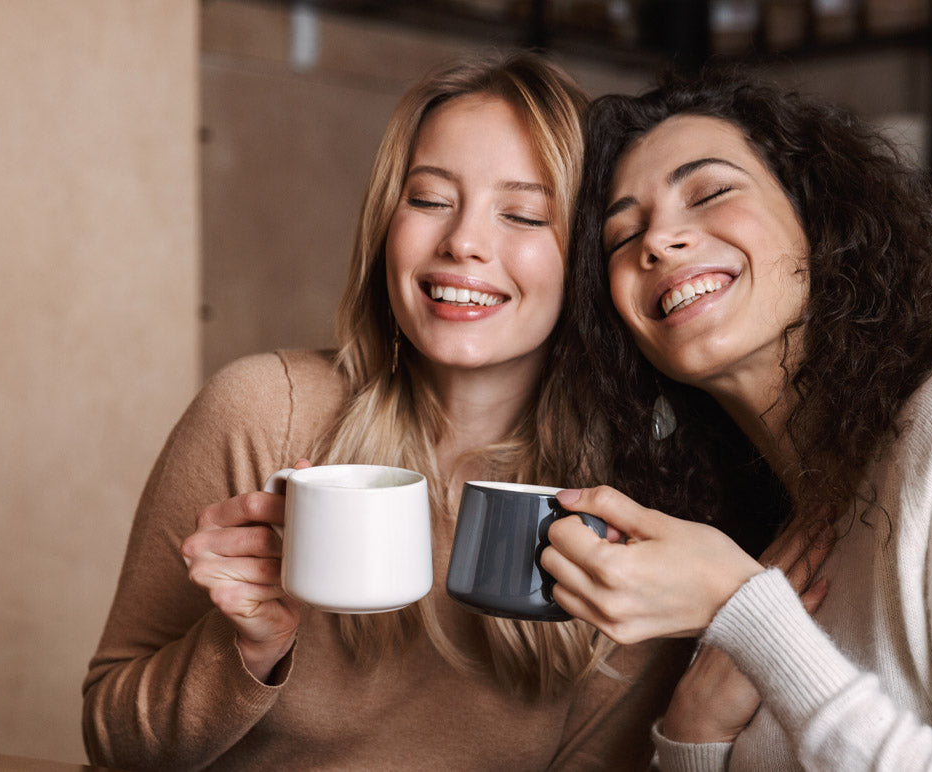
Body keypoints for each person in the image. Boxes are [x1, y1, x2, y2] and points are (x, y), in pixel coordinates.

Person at [541, 69, 932, 770]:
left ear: (817, 216)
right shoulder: (781, 534)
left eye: (711, 192)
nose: (658, 241)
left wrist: (752, 618)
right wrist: (696, 727)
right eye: (622, 235)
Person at [81, 53, 693, 771]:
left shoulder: (628, 499)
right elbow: (109, 736)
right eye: (430, 199)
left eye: (524, 214)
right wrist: (243, 646)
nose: (462, 241)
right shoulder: (265, 411)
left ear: (586, 256)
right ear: (385, 224)